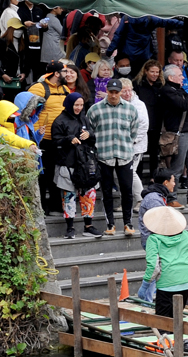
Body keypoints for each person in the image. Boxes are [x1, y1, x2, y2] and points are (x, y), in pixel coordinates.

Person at [86, 78, 140, 236]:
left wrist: (127, 143)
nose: (114, 95)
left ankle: (128, 223)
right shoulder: (96, 109)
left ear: (121, 92)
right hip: (104, 154)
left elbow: (134, 131)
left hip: (124, 154)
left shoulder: (130, 109)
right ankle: (110, 224)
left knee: (127, 190)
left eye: (117, 92)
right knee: (107, 191)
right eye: (111, 92)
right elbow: (90, 129)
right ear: (107, 91)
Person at [52, 91, 99, 238]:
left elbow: (93, 139)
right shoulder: (59, 121)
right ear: (68, 104)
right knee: (68, 196)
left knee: (89, 194)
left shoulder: (84, 119)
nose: (78, 108)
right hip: (68, 163)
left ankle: (88, 225)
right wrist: (68, 139)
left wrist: (90, 135)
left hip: (85, 163)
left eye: (80, 105)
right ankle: (70, 227)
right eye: (75, 105)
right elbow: (55, 141)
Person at [142, 206, 188, 318]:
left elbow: (153, 266)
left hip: (167, 282)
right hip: (186, 280)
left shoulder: (153, 239)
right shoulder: (186, 235)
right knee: (177, 316)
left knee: (163, 320)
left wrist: (145, 284)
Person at [160, 63, 188, 204]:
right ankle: (172, 198)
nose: (182, 78)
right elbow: (182, 104)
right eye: (180, 75)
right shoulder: (167, 91)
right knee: (177, 168)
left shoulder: (179, 90)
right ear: (171, 77)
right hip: (179, 134)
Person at [29, 62, 69, 208]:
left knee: (57, 173)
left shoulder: (65, 89)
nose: (67, 75)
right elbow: (29, 113)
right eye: (64, 72)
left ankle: (56, 204)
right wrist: (35, 136)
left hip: (61, 138)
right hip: (43, 138)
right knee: (43, 174)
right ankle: (42, 206)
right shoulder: (38, 89)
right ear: (57, 74)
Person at [138, 170, 176, 248]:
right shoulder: (154, 199)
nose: (174, 184)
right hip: (154, 241)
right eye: (173, 181)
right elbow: (159, 223)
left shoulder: (158, 196)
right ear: (166, 182)